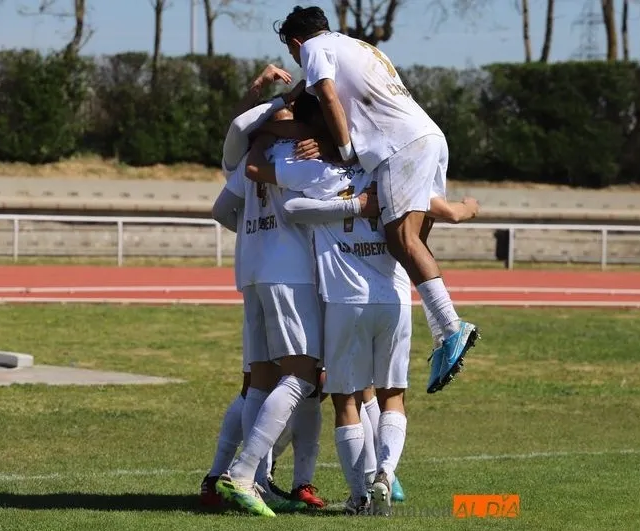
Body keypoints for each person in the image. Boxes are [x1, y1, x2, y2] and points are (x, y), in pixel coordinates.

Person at [246, 92, 480, 515]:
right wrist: (467, 209)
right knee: (392, 396)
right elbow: (441, 208)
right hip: (393, 297)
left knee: (346, 400)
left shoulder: (315, 171)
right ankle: (386, 476)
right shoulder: (390, 167)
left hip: (343, 300)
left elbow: (262, 175)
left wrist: (264, 131)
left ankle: (358, 496)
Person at [275, 6, 480, 394]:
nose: (298, 62)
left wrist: (344, 149)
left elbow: (330, 97)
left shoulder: (314, 49)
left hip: (399, 145)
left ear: (298, 42)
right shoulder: (356, 46)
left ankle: (451, 328)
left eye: (293, 53)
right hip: (428, 136)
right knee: (414, 241)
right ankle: (442, 333)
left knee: (400, 239)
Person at [206, 65, 324, 517]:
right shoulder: (301, 153)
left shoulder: (258, 146)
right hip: (289, 273)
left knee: (258, 381)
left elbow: (221, 209)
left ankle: (252, 483)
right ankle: (242, 474)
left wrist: (257, 232)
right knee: (303, 375)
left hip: (251, 270)